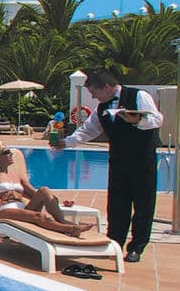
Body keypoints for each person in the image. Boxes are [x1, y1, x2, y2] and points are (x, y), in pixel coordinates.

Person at [51, 69, 163, 263]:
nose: (93, 97)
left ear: (107, 87)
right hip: (118, 159)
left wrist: (137, 120)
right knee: (117, 202)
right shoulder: (102, 107)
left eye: (94, 92)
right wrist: (66, 142)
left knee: (143, 203)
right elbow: (88, 130)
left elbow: (157, 119)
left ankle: (137, 247)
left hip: (142, 158)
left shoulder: (138, 96)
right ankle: (115, 242)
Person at [0, 143, 95, 237]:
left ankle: (62, 221)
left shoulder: (17, 175)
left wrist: (59, 202)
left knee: (44, 190)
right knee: (40, 216)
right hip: (4, 211)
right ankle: (71, 229)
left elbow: (36, 193)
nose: (11, 154)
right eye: (7, 152)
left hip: (24, 210)